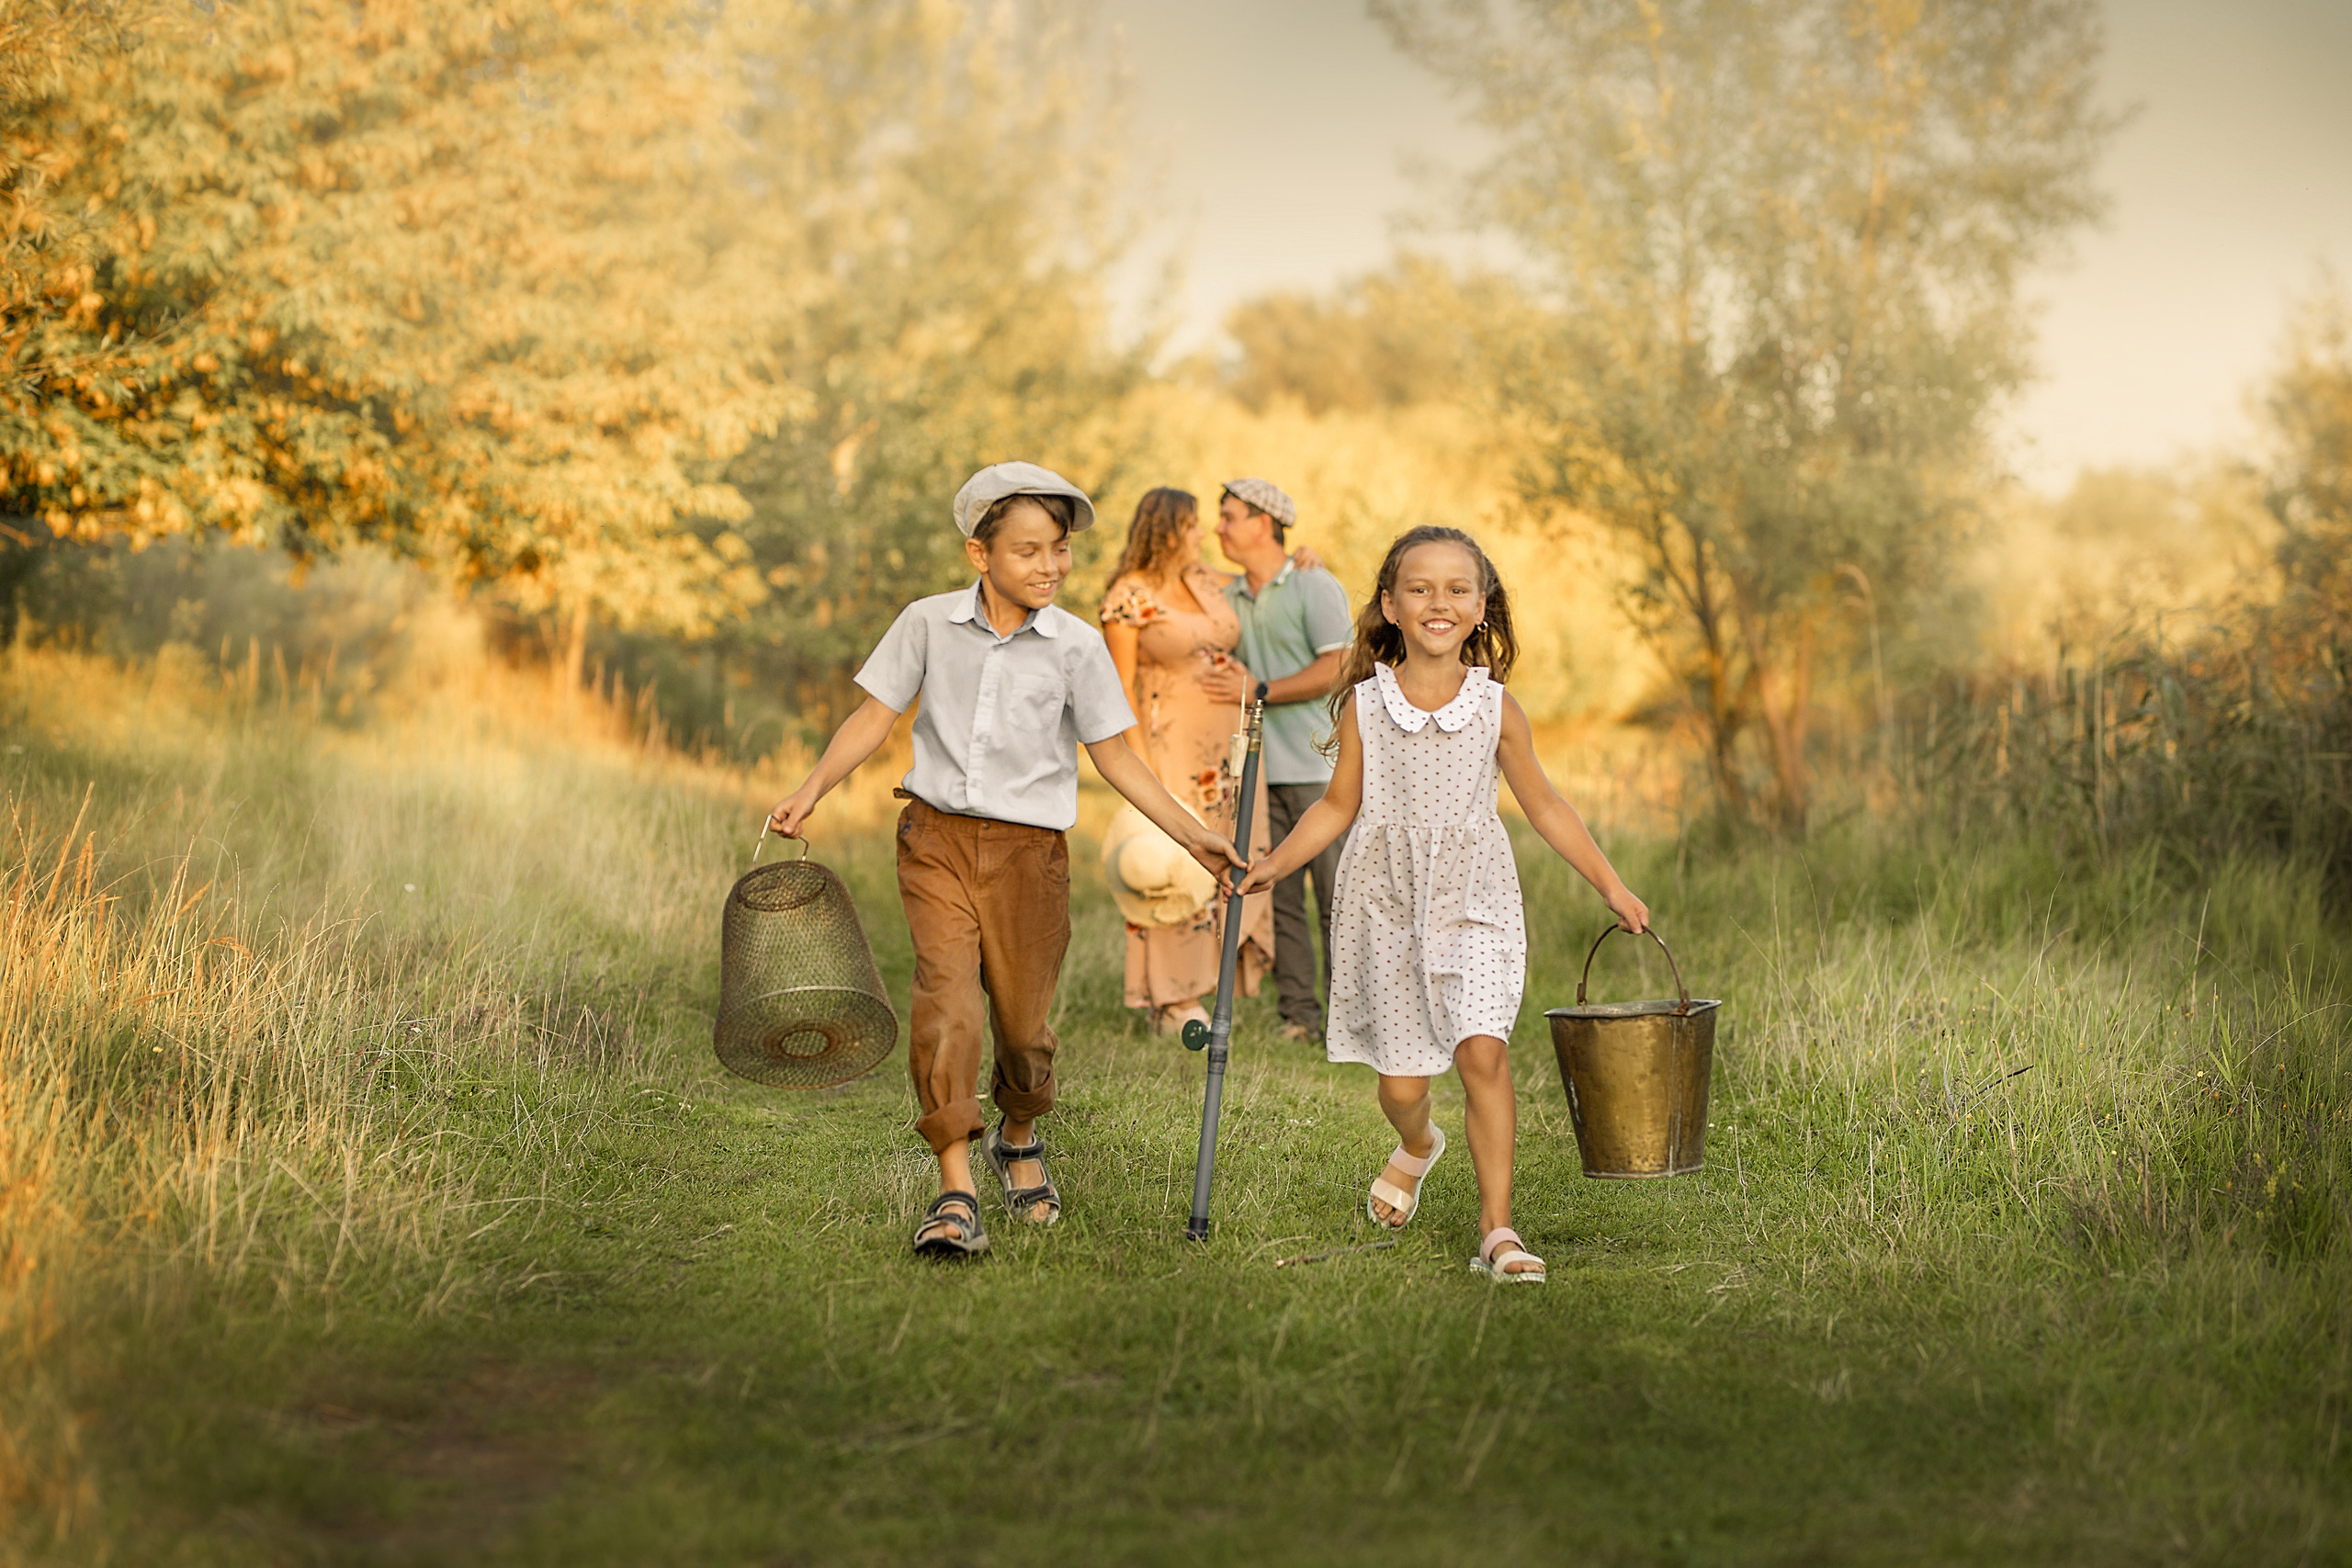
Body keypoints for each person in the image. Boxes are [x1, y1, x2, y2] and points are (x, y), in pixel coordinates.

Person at [767, 461, 1242, 1262]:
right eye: (1028, 550)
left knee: (1023, 1029)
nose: (1050, 566)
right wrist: (812, 787)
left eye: (1058, 549)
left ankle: (1017, 1134)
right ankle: (956, 1191)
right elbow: (874, 714)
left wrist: (1191, 832)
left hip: (1030, 858)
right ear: (979, 555)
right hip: (937, 840)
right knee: (947, 1005)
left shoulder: (1078, 647)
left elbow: (1118, 757)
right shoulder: (925, 623)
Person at [1235, 525, 1650, 1284]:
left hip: (1474, 898)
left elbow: (1548, 806)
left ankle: (1498, 1228)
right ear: (1390, 605)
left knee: (1482, 1051)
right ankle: (1419, 1144)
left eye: (1458, 589)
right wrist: (1271, 865)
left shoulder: (1496, 708)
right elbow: (1334, 807)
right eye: (1420, 588)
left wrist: (1613, 885)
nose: (1439, 602)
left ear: (1482, 606)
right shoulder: (1365, 703)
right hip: (1385, 903)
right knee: (1402, 1087)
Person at [1098, 488, 1272, 1035]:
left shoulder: (1206, 580)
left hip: (1229, 751)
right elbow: (1119, 687)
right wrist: (1142, 769)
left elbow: (1260, 578)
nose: (1203, 534)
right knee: (1174, 861)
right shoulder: (1130, 595)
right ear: (1167, 529)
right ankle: (1172, 999)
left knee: (1226, 858)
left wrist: (1301, 562)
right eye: (1193, 525)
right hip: (1167, 747)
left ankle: (1205, 986)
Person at [1212, 478, 1353, 1043]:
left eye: (1229, 517)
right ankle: (1300, 1017)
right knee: (1280, 899)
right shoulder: (1225, 596)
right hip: (1259, 773)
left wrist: (1260, 688)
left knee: (1338, 901)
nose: (1218, 527)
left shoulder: (1314, 586)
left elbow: (1338, 668)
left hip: (1323, 773)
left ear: (1264, 523)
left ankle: (1353, 1019)